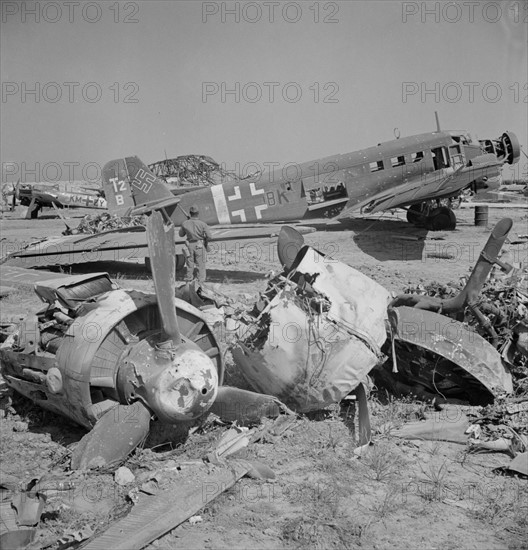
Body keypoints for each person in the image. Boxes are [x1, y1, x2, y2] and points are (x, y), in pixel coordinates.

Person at [178, 205, 212, 284]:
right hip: (199, 245)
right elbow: (209, 236)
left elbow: (181, 234)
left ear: (190, 213)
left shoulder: (185, 223)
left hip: (189, 245)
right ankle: (200, 283)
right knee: (201, 266)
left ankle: (188, 282)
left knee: (190, 265)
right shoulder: (202, 224)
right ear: (198, 213)